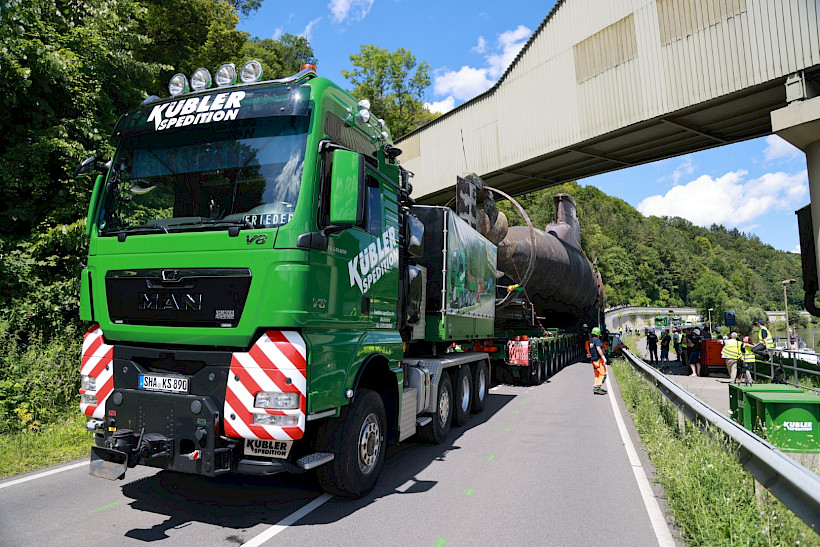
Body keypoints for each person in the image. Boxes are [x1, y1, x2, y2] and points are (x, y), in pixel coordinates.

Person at [590, 327, 608, 395]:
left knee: (597, 375)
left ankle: (596, 388)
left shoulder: (591, 341)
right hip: (598, 360)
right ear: (598, 334)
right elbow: (598, 348)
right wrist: (603, 357)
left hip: (593, 360)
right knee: (603, 374)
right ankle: (597, 386)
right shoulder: (597, 340)